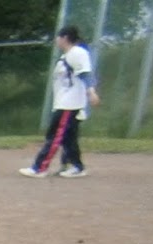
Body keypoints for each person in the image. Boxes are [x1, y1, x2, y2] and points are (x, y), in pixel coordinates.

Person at [21, 25, 100, 179]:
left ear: (65, 38)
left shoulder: (77, 52)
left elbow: (85, 74)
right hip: (64, 102)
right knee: (68, 137)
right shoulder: (67, 55)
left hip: (69, 104)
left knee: (55, 135)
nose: (56, 40)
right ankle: (77, 167)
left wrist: (91, 92)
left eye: (58, 37)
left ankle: (39, 168)